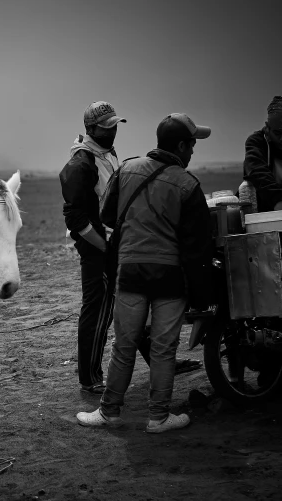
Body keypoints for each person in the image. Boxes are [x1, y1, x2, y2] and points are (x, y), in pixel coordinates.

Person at [76, 113, 214, 433]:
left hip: (131, 271)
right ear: (180, 146)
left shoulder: (126, 168)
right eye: (191, 145)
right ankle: (159, 417)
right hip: (169, 277)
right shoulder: (188, 184)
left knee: (124, 345)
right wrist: (202, 296)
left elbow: (108, 215)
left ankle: (108, 412)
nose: (193, 151)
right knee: (163, 350)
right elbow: (197, 248)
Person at [60, 101, 125, 394]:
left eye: (114, 126)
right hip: (97, 246)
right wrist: (104, 245)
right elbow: (74, 217)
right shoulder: (81, 163)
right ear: (90, 129)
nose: (111, 132)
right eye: (105, 128)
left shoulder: (105, 154)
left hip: (110, 243)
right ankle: (89, 378)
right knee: (97, 308)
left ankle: (165, 363)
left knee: (116, 304)